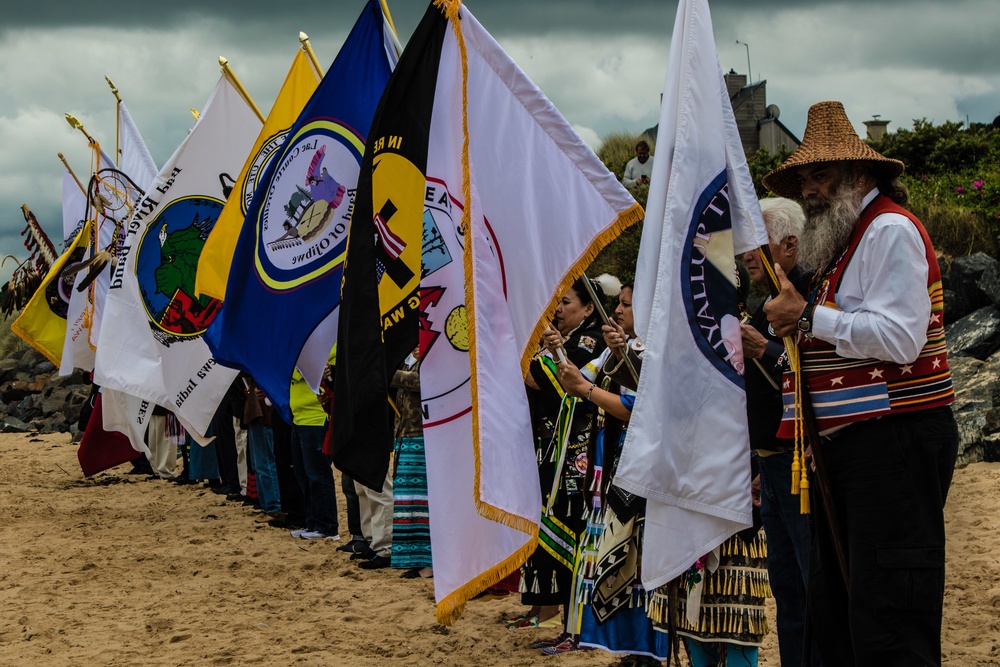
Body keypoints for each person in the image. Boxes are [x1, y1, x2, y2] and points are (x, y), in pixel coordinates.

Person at [762, 100, 958, 666]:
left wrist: (808, 318)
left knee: (889, 612)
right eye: (803, 178)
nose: (809, 190)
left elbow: (900, 338)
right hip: (852, 447)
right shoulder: (846, 241)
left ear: (861, 174)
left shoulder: (888, 229)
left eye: (820, 175)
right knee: (841, 610)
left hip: (893, 441)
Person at [554, 282, 670, 665]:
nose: (618, 311)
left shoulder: (653, 349)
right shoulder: (613, 350)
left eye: (626, 304)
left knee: (639, 558)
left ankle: (649, 649)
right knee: (615, 555)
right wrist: (555, 346)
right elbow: (571, 377)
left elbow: (631, 406)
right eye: (617, 304)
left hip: (641, 471)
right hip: (610, 467)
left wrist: (585, 391)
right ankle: (629, 648)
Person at [740, 197, 818, 667]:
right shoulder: (761, 304)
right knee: (786, 592)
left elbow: (819, 369)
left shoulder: (810, 294)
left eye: (758, 240)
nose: (747, 251)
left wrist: (764, 350)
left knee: (814, 588)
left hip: (803, 465)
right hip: (769, 463)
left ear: (790, 244)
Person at [513, 277, 608, 636]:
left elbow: (547, 378)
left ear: (587, 308)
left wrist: (545, 357)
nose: (559, 309)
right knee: (542, 521)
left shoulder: (592, 341)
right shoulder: (559, 340)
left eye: (566, 302)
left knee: (567, 524)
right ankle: (542, 604)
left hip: (574, 452)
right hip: (547, 446)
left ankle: (563, 614)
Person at [390, 348, 433, 579]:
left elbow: (427, 382)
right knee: (408, 499)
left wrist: (389, 374)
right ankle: (415, 558)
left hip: (424, 435)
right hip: (406, 435)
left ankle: (428, 562)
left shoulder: (434, 355)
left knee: (422, 501)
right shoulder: (409, 360)